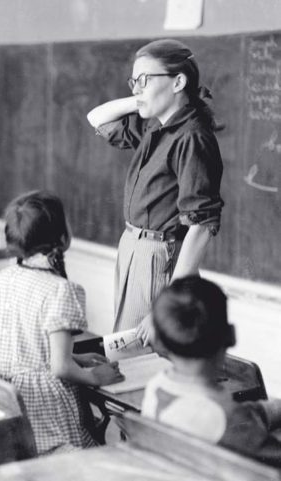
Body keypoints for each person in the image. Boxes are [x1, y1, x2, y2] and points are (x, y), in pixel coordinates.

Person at [86, 39, 224, 341]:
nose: (136, 88)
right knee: (129, 343)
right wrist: (142, 99)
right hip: (134, 247)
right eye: (134, 81)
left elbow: (201, 226)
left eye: (144, 79)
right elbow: (96, 118)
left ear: (178, 82)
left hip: (160, 253)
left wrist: (167, 303)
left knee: (144, 351)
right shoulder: (155, 126)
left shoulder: (191, 137)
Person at [0, 191, 123, 455]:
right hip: (45, 410)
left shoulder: (2, 277)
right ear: (62, 238)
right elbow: (60, 367)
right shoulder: (61, 289)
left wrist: (78, 357)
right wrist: (95, 377)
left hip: (5, 398)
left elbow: (27, 344)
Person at [142, 276, 281, 467]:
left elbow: (222, 417)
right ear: (231, 336)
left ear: (159, 341)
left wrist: (268, 409)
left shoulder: (155, 388)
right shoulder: (227, 419)